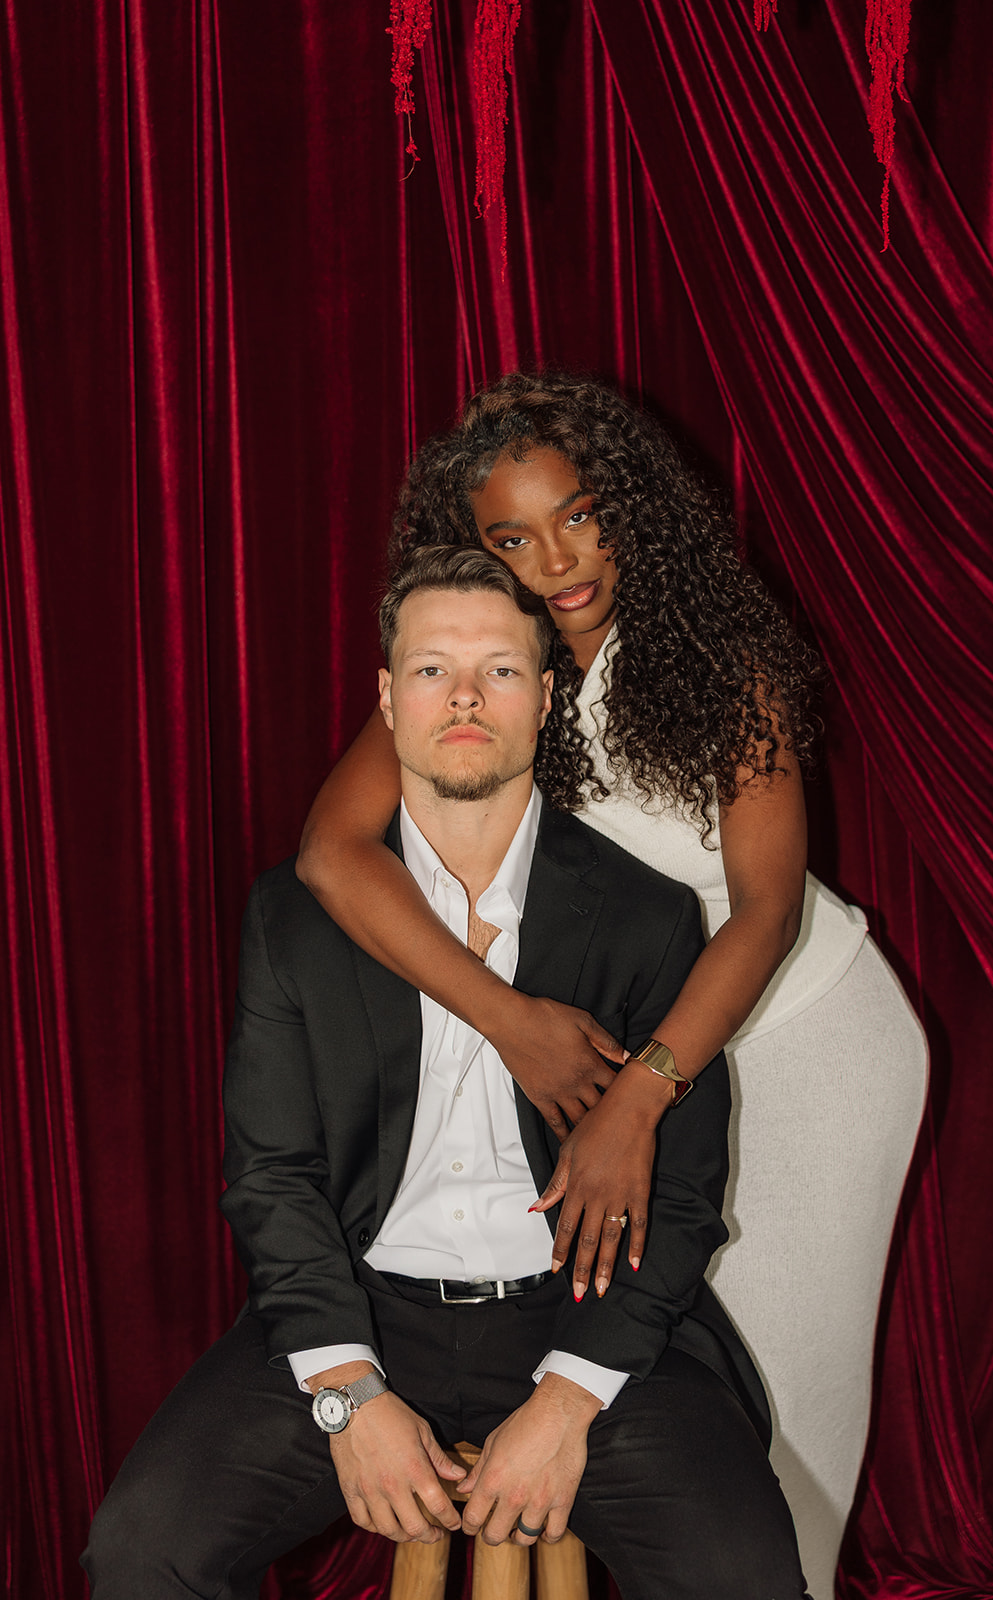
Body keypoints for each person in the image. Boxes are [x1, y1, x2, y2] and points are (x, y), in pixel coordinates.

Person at [296, 373, 929, 1600]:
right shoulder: (482, 665)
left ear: (628, 505)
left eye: (582, 514)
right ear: (468, 552)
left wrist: (634, 1101)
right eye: (512, 538)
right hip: (601, 1069)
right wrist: (516, 1025)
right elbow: (332, 853)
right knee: (650, 1416)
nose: (561, 558)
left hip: (802, 1051)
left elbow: (764, 911)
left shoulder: (715, 656)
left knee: (779, 1434)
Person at [83, 546, 810, 1600]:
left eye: (499, 670)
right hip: (363, 1314)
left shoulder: (647, 920)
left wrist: (566, 1401)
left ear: (545, 696)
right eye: (430, 668)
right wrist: (347, 1396)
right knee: (141, 1551)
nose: (463, 695)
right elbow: (271, 1174)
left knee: (742, 1575)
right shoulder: (293, 918)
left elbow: (682, 1200)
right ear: (385, 695)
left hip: (584, 1319)